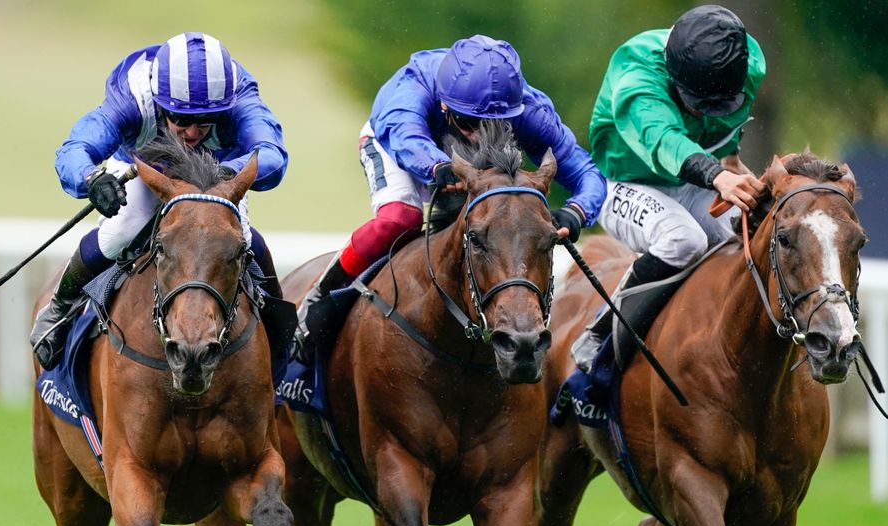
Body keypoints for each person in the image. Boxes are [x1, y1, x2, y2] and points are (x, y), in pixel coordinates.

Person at [297, 34, 607, 334]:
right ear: (444, 106)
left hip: (460, 165)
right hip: (395, 143)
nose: (476, 134)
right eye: (469, 122)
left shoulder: (530, 110)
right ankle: (321, 297)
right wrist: (437, 167)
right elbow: (406, 137)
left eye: (493, 124)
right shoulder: (413, 88)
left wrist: (577, 211)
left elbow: (586, 173)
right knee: (399, 218)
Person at [31, 32, 288, 370]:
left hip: (214, 176)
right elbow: (76, 148)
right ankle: (59, 310)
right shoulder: (132, 98)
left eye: (204, 120)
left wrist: (225, 173)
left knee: (243, 241)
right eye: (180, 118)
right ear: (160, 102)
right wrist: (91, 179)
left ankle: (281, 336)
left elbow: (272, 153)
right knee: (122, 229)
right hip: (146, 167)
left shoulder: (238, 96)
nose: (193, 132)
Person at [571, 5, 767, 371]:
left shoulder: (748, 60)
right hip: (620, 183)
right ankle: (601, 333)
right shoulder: (638, 78)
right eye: (695, 103)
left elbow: (727, 121)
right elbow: (665, 141)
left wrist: (732, 159)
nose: (702, 112)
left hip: (693, 179)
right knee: (684, 240)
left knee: (753, 230)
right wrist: (719, 177)